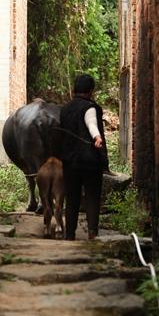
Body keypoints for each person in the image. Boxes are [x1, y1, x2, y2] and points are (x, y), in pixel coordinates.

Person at [59, 74, 109, 240]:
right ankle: (92, 233)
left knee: (71, 198)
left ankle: (70, 235)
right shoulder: (90, 107)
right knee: (92, 197)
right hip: (90, 162)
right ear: (91, 91)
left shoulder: (65, 109)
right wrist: (97, 137)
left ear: (74, 90)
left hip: (70, 162)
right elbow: (91, 123)